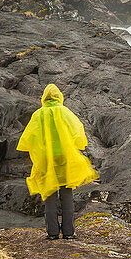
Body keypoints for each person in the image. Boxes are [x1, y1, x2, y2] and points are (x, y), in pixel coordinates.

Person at [17, 83, 98, 240]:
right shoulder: (65, 112)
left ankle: (52, 232)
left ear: (44, 98)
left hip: (47, 160)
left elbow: (29, 138)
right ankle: (69, 232)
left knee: (49, 195)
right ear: (59, 96)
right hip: (65, 158)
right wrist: (76, 146)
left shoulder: (38, 114)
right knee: (67, 195)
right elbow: (78, 130)